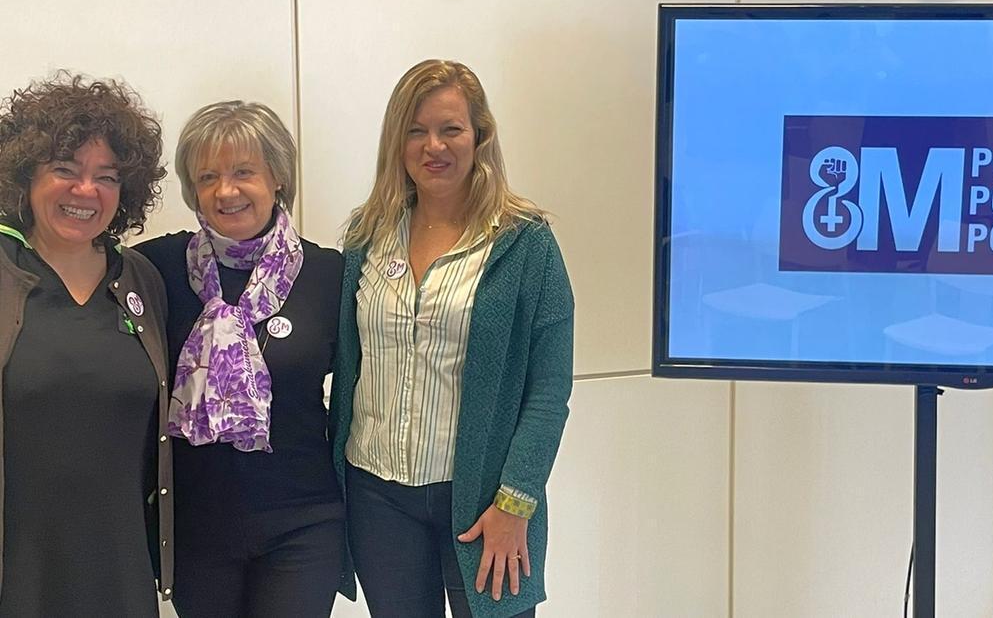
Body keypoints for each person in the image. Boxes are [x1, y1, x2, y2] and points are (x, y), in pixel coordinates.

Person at [330, 59, 574, 618]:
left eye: (450, 129)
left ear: (480, 136)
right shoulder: (365, 239)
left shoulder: (526, 245)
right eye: (415, 131)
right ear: (397, 142)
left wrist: (516, 503)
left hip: (486, 503)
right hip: (377, 496)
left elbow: (548, 392)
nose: (432, 146)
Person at [136, 101, 345, 617]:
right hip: (196, 528)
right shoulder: (156, 268)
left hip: (302, 524)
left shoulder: (328, 275)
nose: (226, 191)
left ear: (277, 176)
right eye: (208, 176)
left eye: (243, 172)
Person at [0, 73, 172, 615]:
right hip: (18, 566)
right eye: (64, 171)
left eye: (107, 177)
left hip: (120, 565)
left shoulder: (141, 279)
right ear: (24, 178)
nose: (85, 191)